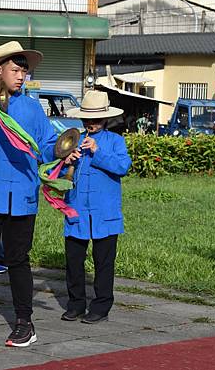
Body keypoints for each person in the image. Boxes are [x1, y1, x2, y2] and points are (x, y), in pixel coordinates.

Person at [0, 41, 74, 347]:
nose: (21, 76)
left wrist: (65, 152)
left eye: (24, 70)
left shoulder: (33, 108)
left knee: (19, 261)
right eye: (15, 69)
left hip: (22, 197)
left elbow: (47, 146)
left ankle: (24, 322)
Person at [61, 91, 131, 324]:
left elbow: (123, 166)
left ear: (106, 119)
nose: (91, 123)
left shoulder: (115, 141)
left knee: (104, 262)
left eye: (97, 119)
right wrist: (66, 162)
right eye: (87, 119)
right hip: (77, 210)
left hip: (105, 212)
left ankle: (101, 306)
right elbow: (59, 174)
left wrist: (97, 151)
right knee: (73, 260)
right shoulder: (73, 139)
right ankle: (76, 304)